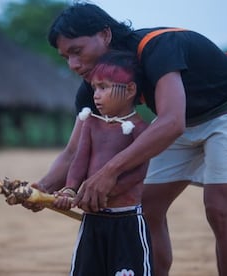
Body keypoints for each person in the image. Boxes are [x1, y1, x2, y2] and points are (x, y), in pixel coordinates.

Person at [24, 3, 227, 276]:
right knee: (145, 208)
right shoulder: (94, 85)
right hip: (178, 122)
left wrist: (109, 171)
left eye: (77, 51)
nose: (73, 65)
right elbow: (72, 152)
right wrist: (40, 190)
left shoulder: (157, 47)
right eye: (66, 57)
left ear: (105, 35)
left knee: (219, 209)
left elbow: (172, 122)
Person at [53, 50, 152, 276]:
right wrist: (70, 189)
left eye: (104, 87)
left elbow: (138, 172)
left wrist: (107, 192)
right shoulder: (91, 124)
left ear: (129, 90)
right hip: (92, 220)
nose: (96, 95)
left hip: (126, 220)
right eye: (94, 88)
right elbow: (79, 161)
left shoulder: (140, 129)